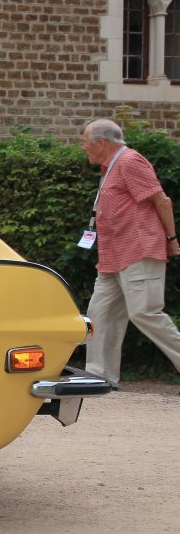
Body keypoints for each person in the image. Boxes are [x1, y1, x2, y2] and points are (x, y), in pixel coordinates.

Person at [79, 118, 180, 384]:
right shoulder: (112, 166)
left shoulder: (130, 161)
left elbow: (162, 201)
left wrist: (171, 239)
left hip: (138, 250)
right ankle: (100, 376)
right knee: (100, 314)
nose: (83, 147)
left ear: (102, 143)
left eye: (85, 142)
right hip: (112, 256)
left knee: (145, 312)